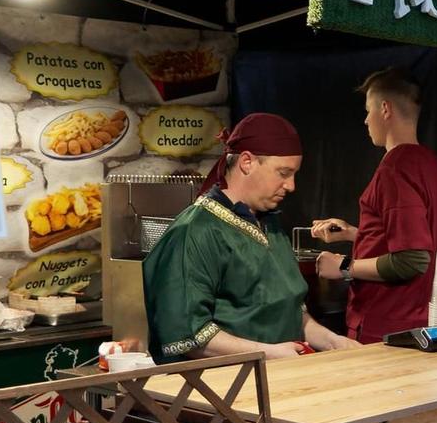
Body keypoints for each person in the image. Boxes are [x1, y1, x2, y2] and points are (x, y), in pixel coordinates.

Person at [145, 112, 358, 361]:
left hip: (283, 381)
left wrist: (332, 341)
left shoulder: (271, 226)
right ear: (247, 162)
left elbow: (289, 312)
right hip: (224, 390)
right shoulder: (195, 231)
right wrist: (267, 353)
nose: (291, 186)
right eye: (283, 173)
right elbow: (188, 334)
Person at [309, 68, 437, 344]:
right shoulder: (432, 165)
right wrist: (355, 233)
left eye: (368, 110)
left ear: (385, 109)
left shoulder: (395, 169)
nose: (365, 120)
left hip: (390, 330)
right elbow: (421, 235)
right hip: (423, 322)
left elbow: (412, 260)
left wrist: (343, 266)